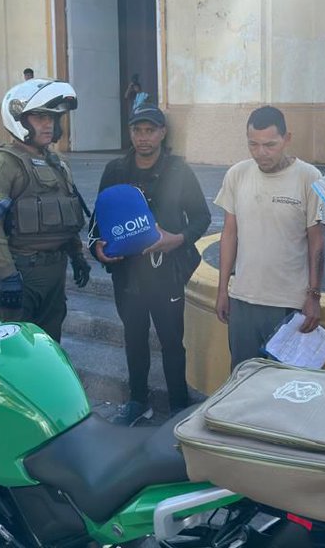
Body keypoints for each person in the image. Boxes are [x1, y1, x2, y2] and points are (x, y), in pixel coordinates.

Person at [89, 106, 210, 426]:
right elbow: (97, 221)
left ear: (162, 133)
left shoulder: (179, 171)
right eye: (137, 130)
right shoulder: (115, 169)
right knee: (134, 337)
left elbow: (202, 217)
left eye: (150, 130)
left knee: (172, 341)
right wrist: (98, 248)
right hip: (127, 276)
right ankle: (138, 401)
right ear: (130, 133)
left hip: (166, 273)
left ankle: (179, 407)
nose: (143, 137)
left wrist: (178, 239)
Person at [0, 78, 92, 341]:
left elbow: (65, 214)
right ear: (20, 119)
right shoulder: (0, 164)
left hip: (54, 272)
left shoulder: (58, 162)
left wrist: (77, 256)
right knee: (14, 349)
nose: (48, 124)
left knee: (49, 347)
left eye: (52, 117)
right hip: (20, 272)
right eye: (39, 117)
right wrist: (6, 276)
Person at [214, 106, 324, 368]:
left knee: (283, 386)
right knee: (242, 379)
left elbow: (317, 243)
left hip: (289, 304)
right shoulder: (237, 174)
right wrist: (222, 291)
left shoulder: (309, 177)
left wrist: (314, 297)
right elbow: (229, 234)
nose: (261, 153)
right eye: (253, 145)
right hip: (243, 301)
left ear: (287, 138)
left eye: (270, 145)